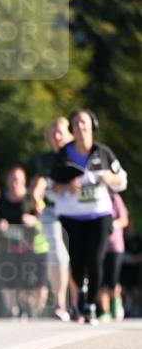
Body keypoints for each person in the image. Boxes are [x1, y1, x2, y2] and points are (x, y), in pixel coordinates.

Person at [52, 109, 128, 324]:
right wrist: (67, 186)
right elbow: (51, 187)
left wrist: (108, 178)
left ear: (92, 125)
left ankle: (91, 305)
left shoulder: (103, 153)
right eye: (75, 123)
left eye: (83, 122)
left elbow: (122, 181)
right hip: (71, 216)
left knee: (95, 260)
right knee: (77, 262)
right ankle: (82, 296)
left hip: (100, 214)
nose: (80, 126)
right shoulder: (63, 155)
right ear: (71, 129)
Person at [0, 166, 49, 319]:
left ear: (23, 181)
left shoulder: (31, 198)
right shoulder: (0, 199)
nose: (15, 182)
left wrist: (33, 220)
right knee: (8, 281)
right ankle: (14, 311)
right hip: (6, 247)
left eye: (18, 179)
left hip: (28, 248)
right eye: (12, 179)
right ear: (8, 181)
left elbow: (44, 217)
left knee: (28, 281)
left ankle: (28, 308)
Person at [30, 117, 73, 320]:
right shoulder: (45, 159)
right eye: (52, 134)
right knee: (57, 253)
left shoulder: (77, 156)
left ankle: (79, 301)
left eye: (60, 133)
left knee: (78, 257)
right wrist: (36, 196)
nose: (56, 138)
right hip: (52, 211)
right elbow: (40, 182)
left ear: (69, 135)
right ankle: (60, 303)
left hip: (77, 212)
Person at [99, 191, 129, 321]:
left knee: (113, 280)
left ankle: (116, 302)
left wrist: (112, 225)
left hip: (115, 246)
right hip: (99, 246)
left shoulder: (114, 198)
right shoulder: (94, 198)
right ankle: (105, 311)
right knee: (101, 281)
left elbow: (124, 220)